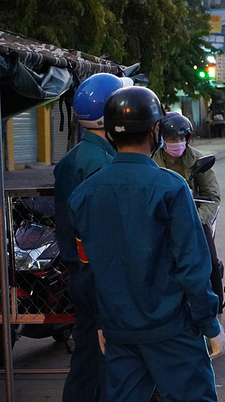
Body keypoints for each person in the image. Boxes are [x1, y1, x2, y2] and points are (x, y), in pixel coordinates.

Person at [68, 86, 225, 402]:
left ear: (110, 132)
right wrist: (210, 324)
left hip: (118, 331)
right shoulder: (171, 188)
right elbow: (192, 267)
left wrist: (102, 322)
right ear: (156, 130)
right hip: (172, 330)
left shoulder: (84, 194)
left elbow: (89, 268)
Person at [54, 72, 128, 402]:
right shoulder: (103, 163)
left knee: (86, 361)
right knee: (107, 364)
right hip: (101, 276)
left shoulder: (72, 159)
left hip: (80, 273)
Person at [152, 112, 224, 317]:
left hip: (194, 222)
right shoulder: (151, 161)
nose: (177, 143)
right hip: (161, 222)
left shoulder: (198, 160)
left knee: (210, 263)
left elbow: (212, 197)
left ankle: (217, 315)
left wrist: (196, 220)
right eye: (172, 139)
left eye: (182, 138)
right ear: (162, 139)